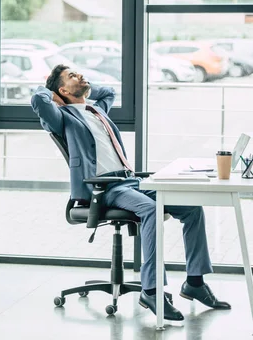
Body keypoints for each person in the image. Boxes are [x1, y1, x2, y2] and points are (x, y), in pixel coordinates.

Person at [31, 64, 230, 321]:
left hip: (131, 181)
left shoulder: (96, 109)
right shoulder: (63, 118)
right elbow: (38, 99)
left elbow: (108, 92)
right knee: (150, 210)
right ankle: (151, 290)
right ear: (61, 90)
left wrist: (83, 89)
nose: (79, 75)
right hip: (104, 188)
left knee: (191, 208)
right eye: (72, 76)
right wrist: (52, 94)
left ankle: (194, 282)